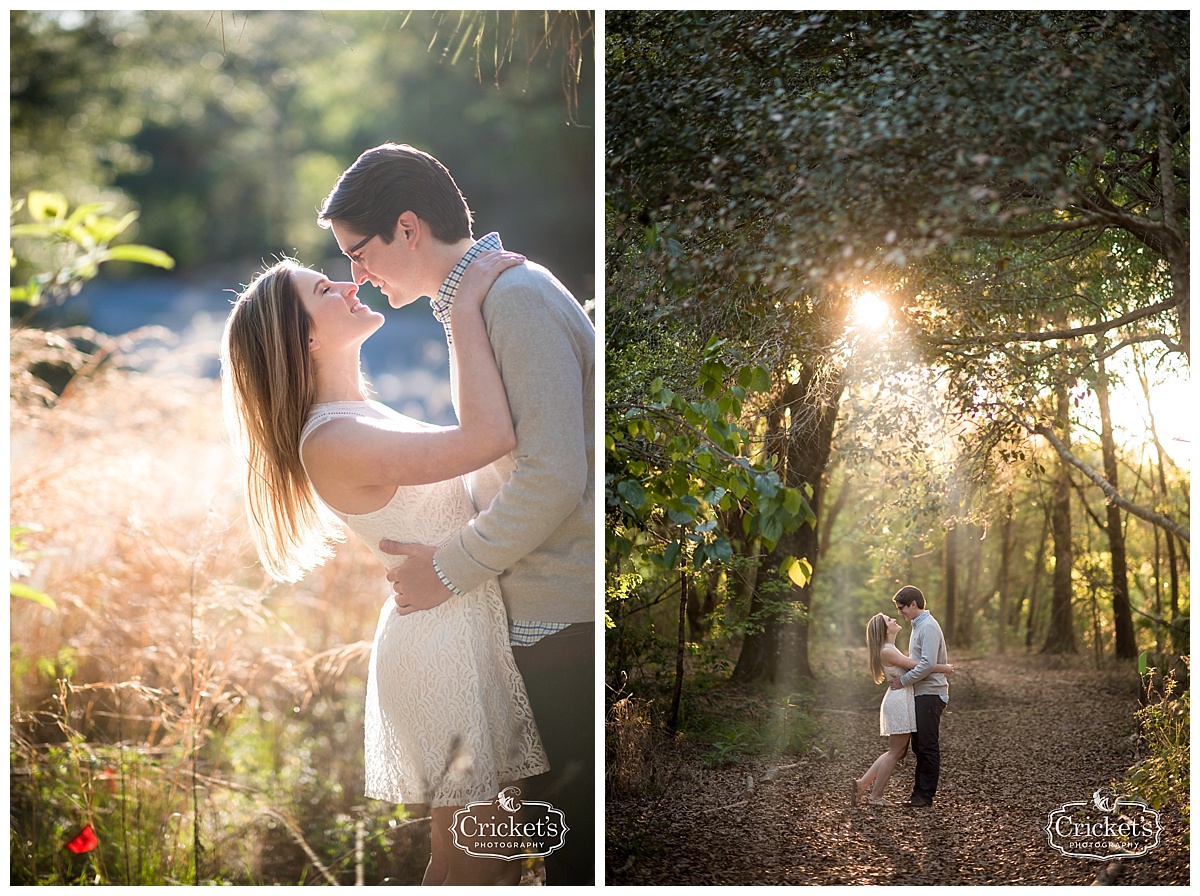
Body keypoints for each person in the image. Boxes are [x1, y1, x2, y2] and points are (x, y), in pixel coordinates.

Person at [221, 248, 547, 885]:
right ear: (307, 337)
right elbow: (487, 439)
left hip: (462, 625)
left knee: (503, 857)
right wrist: (463, 306)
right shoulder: (332, 437)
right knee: (472, 864)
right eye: (323, 288)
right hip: (439, 648)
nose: (348, 285)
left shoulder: (358, 412)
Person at [316, 143, 595, 884]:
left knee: (578, 861)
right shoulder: (486, 300)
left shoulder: (515, 298)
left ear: (408, 228)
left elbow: (553, 476)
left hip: (560, 616)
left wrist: (446, 568)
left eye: (359, 253)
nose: (358, 277)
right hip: (525, 615)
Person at [852, 612, 954, 808]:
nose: (894, 619)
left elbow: (914, 666)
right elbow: (916, 665)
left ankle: (862, 784)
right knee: (895, 751)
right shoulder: (887, 650)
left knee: (897, 752)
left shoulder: (890, 649)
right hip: (898, 701)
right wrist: (943, 667)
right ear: (884, 630)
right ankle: (874, 796)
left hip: (901, 699)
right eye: (889, 620)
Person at [889, 585, 950, 808]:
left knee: (927, 746)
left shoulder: (928, 627)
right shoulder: (918, 626)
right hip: (921, 693)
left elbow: (927, 664)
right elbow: (918, 661)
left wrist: (903, 681)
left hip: (931, 694)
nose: (900, 612)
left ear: (914, 604)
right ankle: (919, 794)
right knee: (919, 747)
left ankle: (925, 796)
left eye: (902, 607)